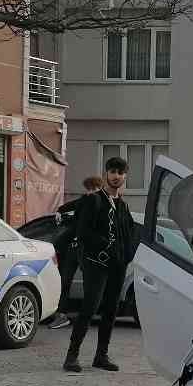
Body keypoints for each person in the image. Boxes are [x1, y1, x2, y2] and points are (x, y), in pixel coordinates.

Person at [60, 157, 136, 372]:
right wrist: (105, 247)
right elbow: (83, 232)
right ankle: (71, 356)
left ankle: (101, 356)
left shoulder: (123, 205)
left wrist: (126, 254)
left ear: (125, 176)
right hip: (96, 264)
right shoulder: (93, 201)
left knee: (111, 310)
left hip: (117, 266)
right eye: (112, 171)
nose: (116, 176)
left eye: (120, 172)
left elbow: (130, 233)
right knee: (90, 308)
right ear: (106, 174)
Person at [46, 175, 102, 330]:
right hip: (74, 248)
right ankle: (61, 315)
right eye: (88, 189)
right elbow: (72, 206)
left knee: (89, 284)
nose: (90, 192)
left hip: (88, 250)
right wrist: (60, 211)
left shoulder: (102, 203)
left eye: (94, 189)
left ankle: (87, 316)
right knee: (64, 280)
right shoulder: (85, 200)